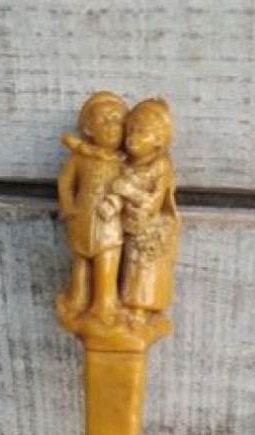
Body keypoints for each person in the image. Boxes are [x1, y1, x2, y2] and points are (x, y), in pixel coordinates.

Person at [57, 91, 128, 321]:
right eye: (104, 120)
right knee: (80, 262)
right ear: (88, 129)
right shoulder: (80, 158)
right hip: (83, 218)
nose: (111, 126)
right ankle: (78, 299)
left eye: (117, 120)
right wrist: (67, 207)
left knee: (107, 260)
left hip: (109, 224)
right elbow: (65, 181)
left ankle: (104, 304)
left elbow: (130, 187)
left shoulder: (123, 163)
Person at [112, 98, 179, 320]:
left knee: (141, 270)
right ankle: (121, 303)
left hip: (149, 230)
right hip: (126, 224)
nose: (132, 138)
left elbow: (154, 202)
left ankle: (139, 309)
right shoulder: (124, 162)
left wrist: (129, 191)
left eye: (142, 133)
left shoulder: (160, 166)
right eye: (130, 130)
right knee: (125, 268)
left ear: (159, 141)